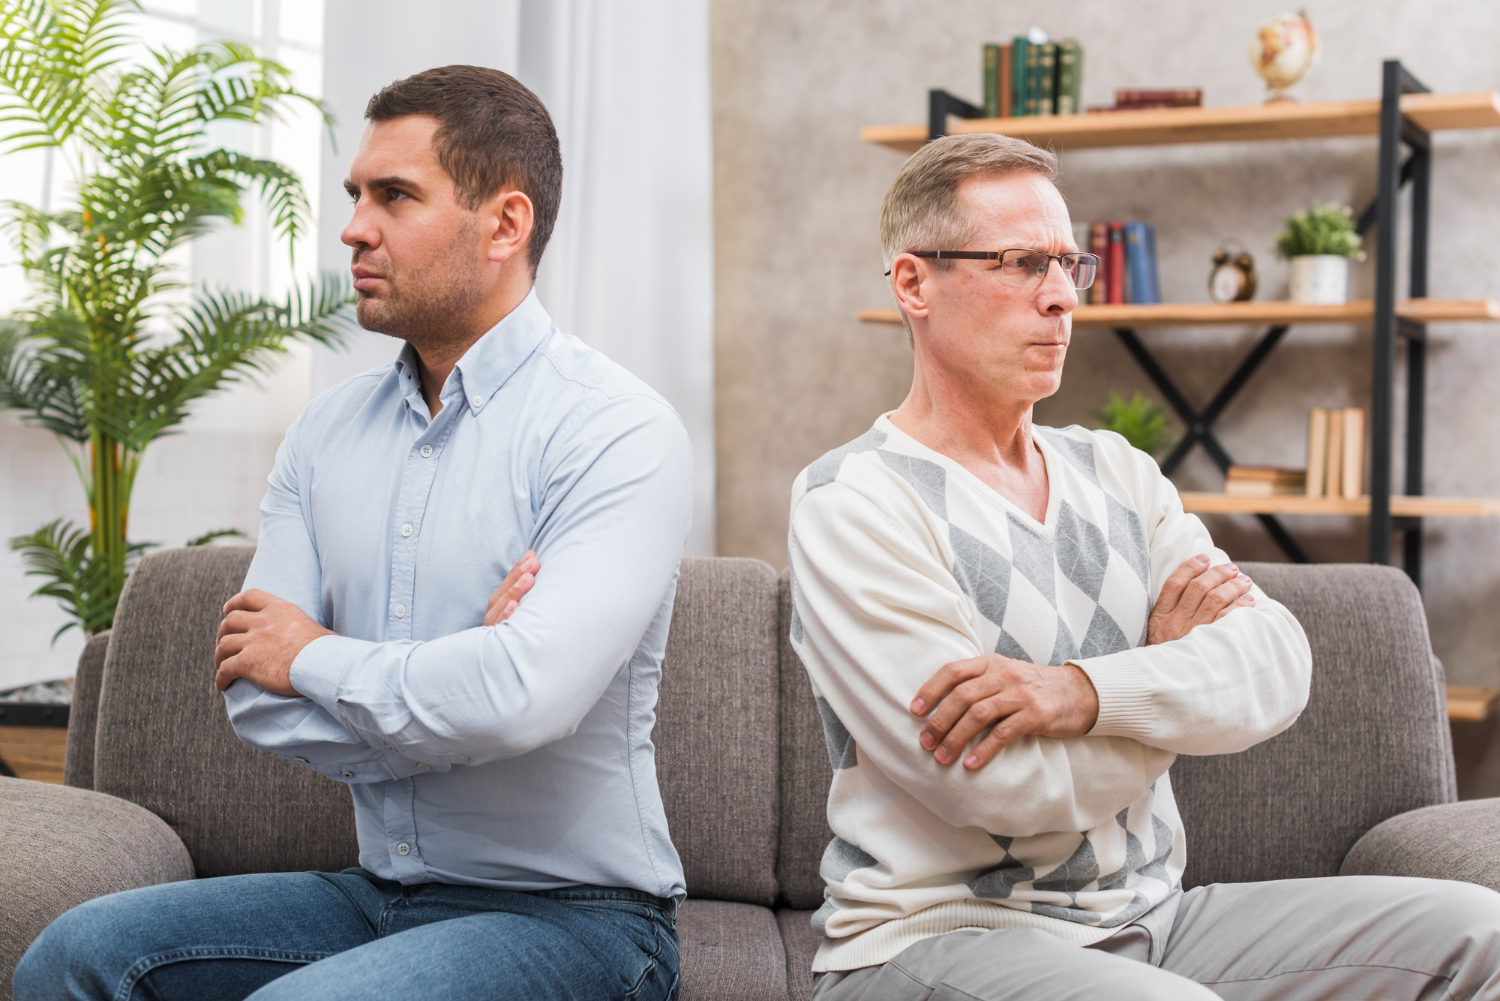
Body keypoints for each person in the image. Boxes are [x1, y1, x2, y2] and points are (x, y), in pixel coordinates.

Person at [14, 66, 690, 1001]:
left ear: (505, 223)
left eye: (395, 196)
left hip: (580, 919)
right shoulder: (325, 434)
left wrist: (320, 657)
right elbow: (259, 695)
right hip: (378, 891)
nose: (353, 226)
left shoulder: (616, 429)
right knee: (71, 955)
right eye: (355, 195)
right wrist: (460, 677)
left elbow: (523, 699)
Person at [787, 132, 1500, 1000]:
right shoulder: (853, 500)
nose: (1060, 297)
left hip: (1158, 920)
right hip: (936, 938)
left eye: (1067, 263)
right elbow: (1002, 785)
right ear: (913, 284)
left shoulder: (1116, 471)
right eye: (1018, 263)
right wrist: (1172, 690)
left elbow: (1277, 664)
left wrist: (1083, 692)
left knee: (1481, 934)